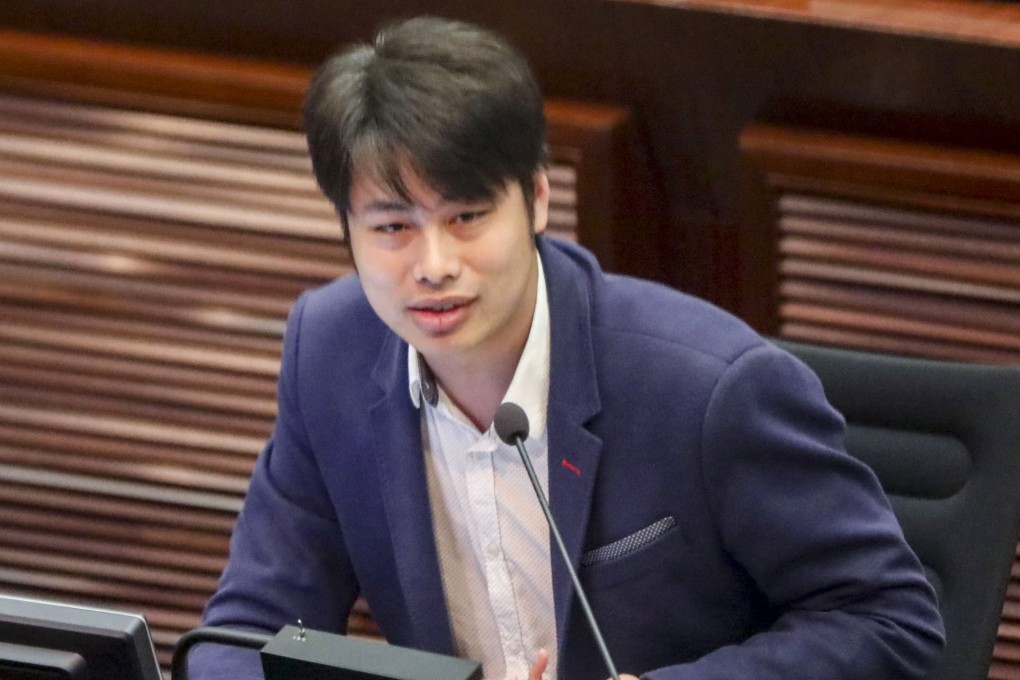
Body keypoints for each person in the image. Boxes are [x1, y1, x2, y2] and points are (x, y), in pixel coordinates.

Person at [192, 15, 944, 680]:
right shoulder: (329, 356)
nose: (433, 264)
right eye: (391, 228)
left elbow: (889, 619)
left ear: (539, 198)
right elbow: (244, 631)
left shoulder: (706, 388)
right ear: (346, 231)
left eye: (466, 217)